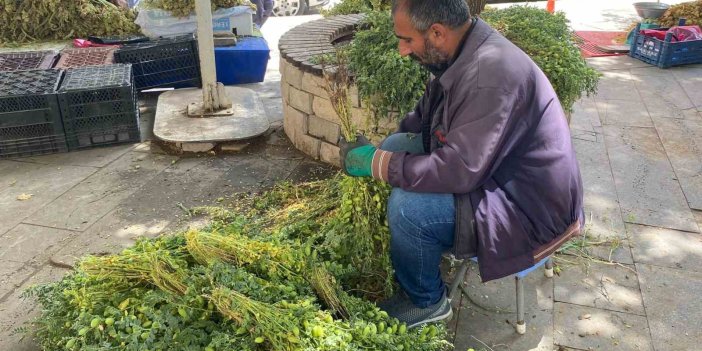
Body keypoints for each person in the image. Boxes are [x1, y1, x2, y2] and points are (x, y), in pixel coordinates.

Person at [338, 0, 584, 329]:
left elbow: (459, 170)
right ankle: (418, 254)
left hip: (528, 206)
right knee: (397, 146)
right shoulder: (463, 50)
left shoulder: (488, 77)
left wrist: (379, 164)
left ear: (437, 32)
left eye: (407, 40)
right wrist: (384, 153)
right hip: (496, 172)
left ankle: (426, 302)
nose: (401, 50)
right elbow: (423, 120)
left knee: (408, 210)